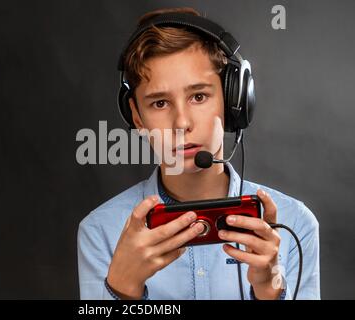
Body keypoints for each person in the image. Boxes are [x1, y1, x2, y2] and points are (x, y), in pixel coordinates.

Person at [77, 7, 320, 300]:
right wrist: (123, 290)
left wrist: (270, 292)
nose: (182, 123)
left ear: (234, 103)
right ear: (137, 117)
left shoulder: (296, 225)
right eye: (159, 103)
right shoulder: (100, 231)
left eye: (199, 96)